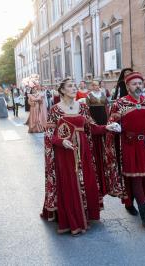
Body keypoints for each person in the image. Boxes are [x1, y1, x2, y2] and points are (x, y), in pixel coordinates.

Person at [41, 78, 120, 235]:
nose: (73, 88)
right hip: (64, 154)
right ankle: (72, 219)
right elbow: (50, 135)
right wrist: (61, 141)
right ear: (62, 90)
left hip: (83, 151)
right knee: (70, 184)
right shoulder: (55, 110)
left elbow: (92, 128)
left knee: (86, 181)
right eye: (70, 86)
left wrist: (107, 127)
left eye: (74, 86)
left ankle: (86, 214)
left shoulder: (83, 107)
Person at [105, 72, 145, 228]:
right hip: (128, 146)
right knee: (135, 178)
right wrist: (117, 127)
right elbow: (111, 123)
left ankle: (129, 202)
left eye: (140, 83)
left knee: (142, 177)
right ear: (127, 86)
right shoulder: (120, 103)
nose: (138, 86)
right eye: (134, 84)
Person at [86, 80, 109, 196]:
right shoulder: (89, 96)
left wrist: (109, 118)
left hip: (103, 116)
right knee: (97, 133)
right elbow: (87, 110)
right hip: (94, 117)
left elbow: (106, 106)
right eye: (93, 85)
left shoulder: (103, 94)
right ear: (91, 86)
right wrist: (91, 121)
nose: (95, 86)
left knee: (105, 133)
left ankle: (105, 151)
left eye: (97, 85)